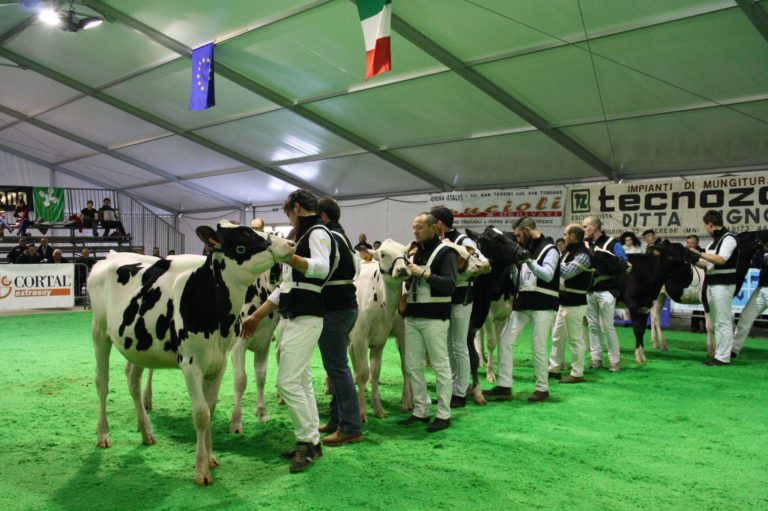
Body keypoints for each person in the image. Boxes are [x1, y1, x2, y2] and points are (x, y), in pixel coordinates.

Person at [240, 189, 335, 473]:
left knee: (288, 383)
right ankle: (311, 442)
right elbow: (285, 287)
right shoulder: (303, 235)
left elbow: (322, 268)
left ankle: (306, 442)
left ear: (295, 207)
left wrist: (287, 259)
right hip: (293, 314)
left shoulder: (317, 232)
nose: (290, 219)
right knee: (301, 381)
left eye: (288, 214)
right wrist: (256, 315)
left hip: (307, 315)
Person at [484, 217, 560, 402]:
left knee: (538, 346)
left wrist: (529, 262)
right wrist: (513, 270)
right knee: (505, 340)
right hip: (524, 302)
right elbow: (522, 279)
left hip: (543, 303)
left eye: (518, 234)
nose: (517, 239)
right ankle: (504, 385)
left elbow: (548, 276)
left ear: (527, 230)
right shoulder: (527, 249)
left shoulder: (551, 249)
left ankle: (542, 388)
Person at [398, 212, 457, 431]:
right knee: (412, 366)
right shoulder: (414, 253)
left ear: (435, 228)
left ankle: (443, 414)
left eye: (420, 227)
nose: (415, 231)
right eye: (414, 227)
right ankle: (420, 410)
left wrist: (421, 274)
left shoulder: (446, 252)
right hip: (412, 317)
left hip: (435, 318)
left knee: (441, 366)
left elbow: (450, 284)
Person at [315, 197, 363, 446]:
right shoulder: (342, 237)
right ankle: (337, 419)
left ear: (323, 217)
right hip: (345, 307)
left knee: (338, 369)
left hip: (335, 308)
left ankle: (351, 427)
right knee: (335, 367)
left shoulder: (328, 238)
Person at [431, 205, 484, 408]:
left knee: (459, 344)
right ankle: (453, 388)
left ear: (439, 224)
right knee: (448, 345)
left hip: (462, 296)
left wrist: (460, 271)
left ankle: (460, 392)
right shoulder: (437, 242)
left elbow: (481, 264)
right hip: (444, 298)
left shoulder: (464, 241)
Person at [688, 210, 738, 365]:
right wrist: (692, 259)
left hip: (723, 285)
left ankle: (723, 357)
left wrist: (698, 253)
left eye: (706, 226)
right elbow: (707, 265)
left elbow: (721, 260)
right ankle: (719, 354)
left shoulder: (729, 238)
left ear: (710, 224)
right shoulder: (713, 242)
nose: (706, 229)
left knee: (723, 321)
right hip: (712, 284)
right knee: (717, 322)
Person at [549, 224, 592, 384]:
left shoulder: (583, 255)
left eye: (566, 234)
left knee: (575, 339)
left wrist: (552, 263)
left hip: (575, 302)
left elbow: (566, 273)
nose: (564, 237)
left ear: (573, 236)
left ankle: (577, 372)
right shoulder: (569, 252)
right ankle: (554, 369)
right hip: (564, 301)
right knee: (557, 337)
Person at [583, 216, 627, 372]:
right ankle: (596, 359)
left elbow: (625, 264)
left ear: (595, 227)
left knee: (607, 326)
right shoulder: (584, 244)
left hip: (607, 290)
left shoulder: (613, 243)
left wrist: (608, 257)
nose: (584, 229)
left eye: (586, 226)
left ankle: (614, 361)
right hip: (589, 291)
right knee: (593, 326)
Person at [732, 240, 768, 357]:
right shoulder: (762, 253)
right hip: (761, 289)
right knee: (745, 318)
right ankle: (733, 350)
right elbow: (755, 263)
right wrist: (759, 251)